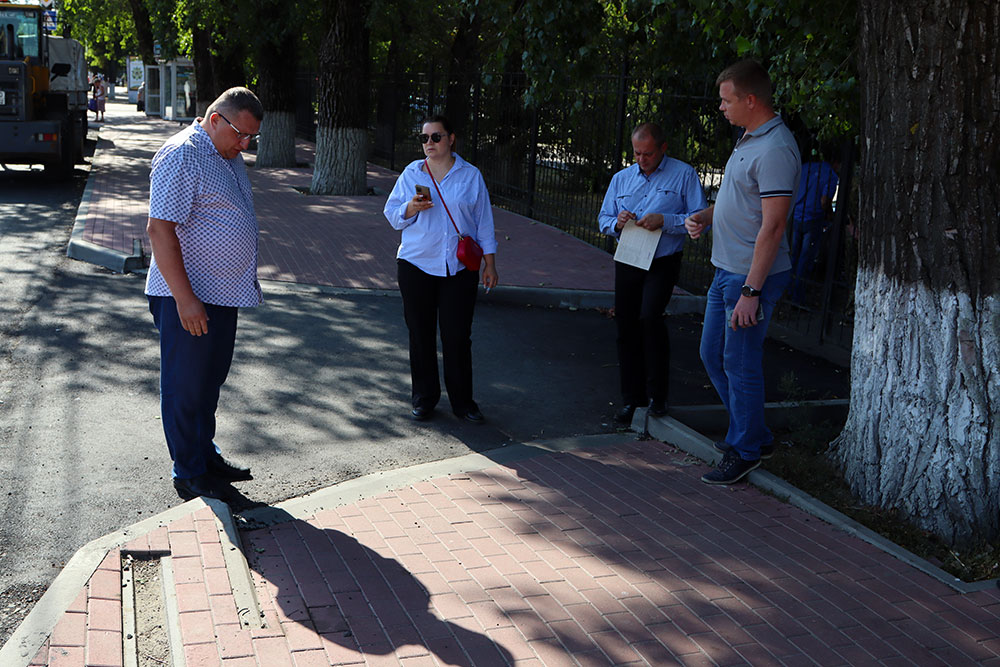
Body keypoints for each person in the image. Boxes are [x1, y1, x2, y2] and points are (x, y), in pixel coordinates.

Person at [684, 60, 801, 484]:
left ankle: (746, 449)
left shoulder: (775, 149)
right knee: (712, 354)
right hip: (726, 271)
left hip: (750, 277)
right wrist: (708, 215)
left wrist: (751, 290)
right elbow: (745, 203)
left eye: (726, 99)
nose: (721, 107)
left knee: (739, 360)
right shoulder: (750, 138)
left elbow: (772, 226)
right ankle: (753, 433)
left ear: (750, 100)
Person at [145, 87, 264, 501]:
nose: (245, 145)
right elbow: (160, 230)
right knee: (186, 385)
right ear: (215, 119)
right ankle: (189, 472)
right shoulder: (183, 154)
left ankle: (204, 454)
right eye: (241, 134)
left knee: (208, 384)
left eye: (252, 138)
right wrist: (185, 299)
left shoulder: (225, 153)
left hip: (222, 294)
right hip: (189, 297)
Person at [383, 116, 499, 423]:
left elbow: (484, 223)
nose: (429, 143)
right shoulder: (411, 173)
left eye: (436, 137)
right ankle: (425, 398)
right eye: (424, 138)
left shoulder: (470, 176)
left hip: (458, 268)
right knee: (420, 335)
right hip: (416, 264)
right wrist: (410, 208)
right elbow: (392, 214)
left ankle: (463, 402)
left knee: (457, 336)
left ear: (451, 139)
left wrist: (490, 263)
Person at [598, 123, 708, 424]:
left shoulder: (684, 174)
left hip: (662, 259)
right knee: (626, 324)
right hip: (629, 257)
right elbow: (603, 219)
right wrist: (617, 223)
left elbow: (700, 218)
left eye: (648, 154)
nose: (642, 160)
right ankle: (630, 398)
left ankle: (658, 396)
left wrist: (666, 220)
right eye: (636, 153)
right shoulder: (621, 178)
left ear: (663, 149)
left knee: (650, 319)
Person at [789, 157, 840, 304]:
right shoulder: (830, 174)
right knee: (805, 259)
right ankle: (798, 298)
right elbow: (825, 201)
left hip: (798, 214)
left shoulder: (806, 167)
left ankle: (789, 290)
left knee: (794, 256)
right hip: (813, 218)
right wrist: (830, 215)